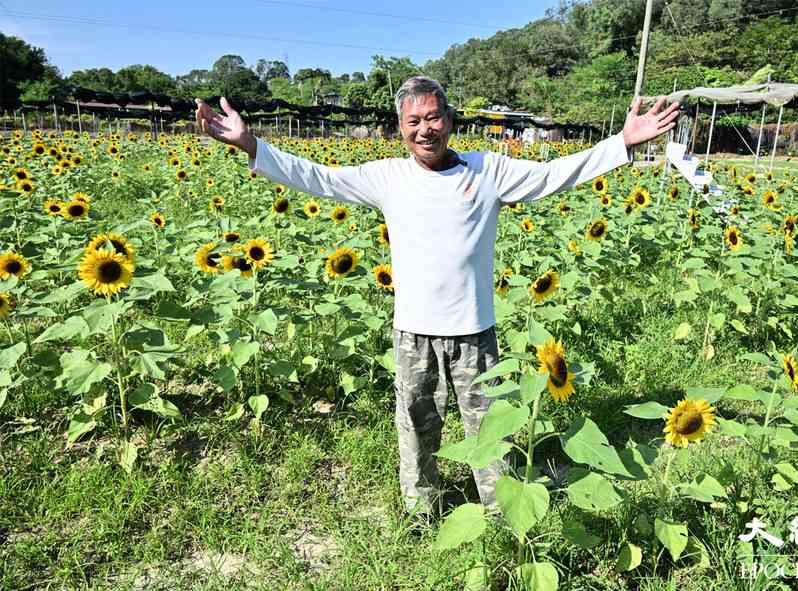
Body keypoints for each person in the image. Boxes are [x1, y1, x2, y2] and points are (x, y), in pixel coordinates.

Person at [195, 76, 679, 518]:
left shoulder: (488, 171)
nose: (425, 129)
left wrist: (622, 143)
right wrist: (250, 144)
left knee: (490, 429)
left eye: (433, 118)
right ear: (400, 127)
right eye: (413, 121)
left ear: (449, 121)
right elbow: (321, 177)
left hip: (474, 332)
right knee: (416, 426)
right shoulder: (388, 177)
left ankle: (500, 511)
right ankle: (420, 511)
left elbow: (554, 174)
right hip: (414, 332)